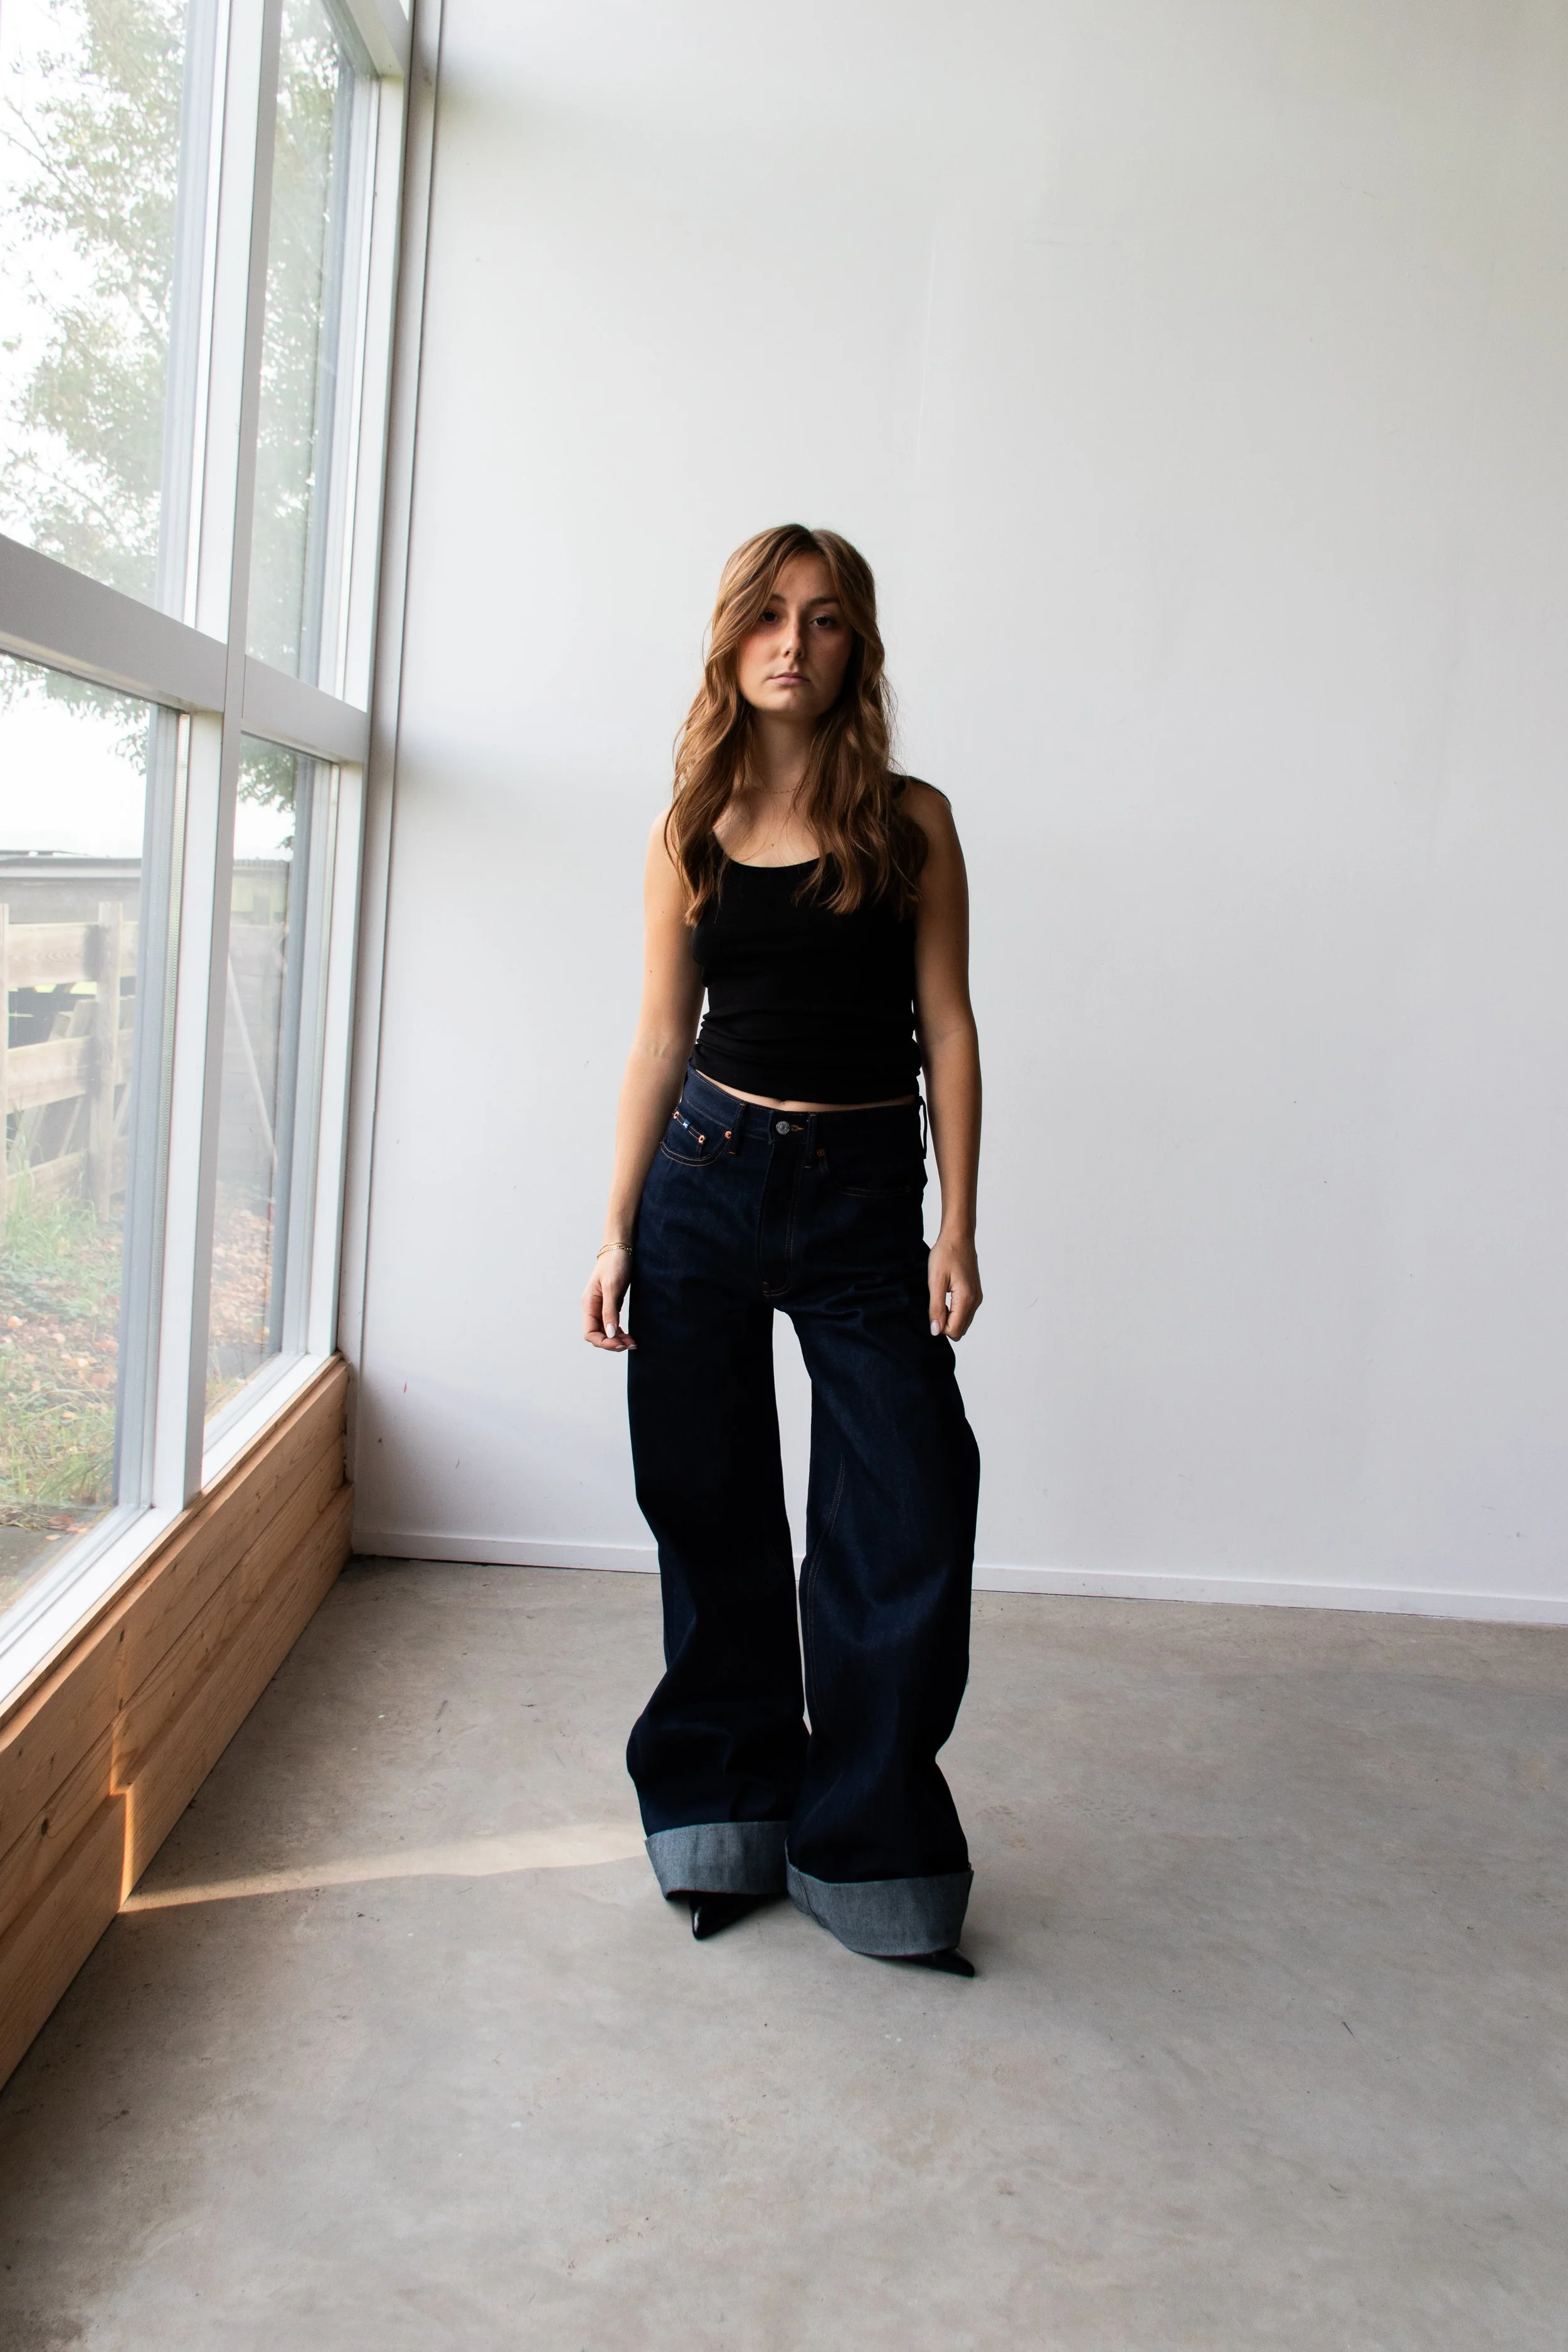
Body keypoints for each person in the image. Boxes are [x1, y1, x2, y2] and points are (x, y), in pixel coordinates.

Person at [582, 523, 983, 1976]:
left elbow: (946, 1025)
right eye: (766, 617)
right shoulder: (685, 826)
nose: (791, 644)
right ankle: (721, 1807)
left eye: (820, 620)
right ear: (729, 641)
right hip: (703, 1176)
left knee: (907, 1498)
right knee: (710, 1504)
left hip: (865, 1195)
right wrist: (617, 1220)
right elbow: (654, 1039)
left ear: (853, 645)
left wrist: (958, 1223)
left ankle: (865, 1834)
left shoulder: (912, 820)